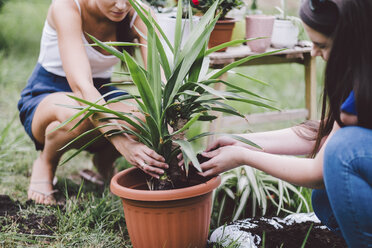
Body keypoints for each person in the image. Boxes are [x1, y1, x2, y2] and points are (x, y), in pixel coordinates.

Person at [195, 0, 372, 246]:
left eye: (322, 45)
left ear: (352, 40)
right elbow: (326, 132)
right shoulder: (361, 73)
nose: (313, 52)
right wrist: (243, 143)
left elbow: (321, 169)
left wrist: (242, 157)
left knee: (342, 155)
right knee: (325, 194)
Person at [18, 0, 168, 205]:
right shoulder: (66, 6)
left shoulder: (140, 14)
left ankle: (104, 161)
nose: (122, 6)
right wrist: (122, 141)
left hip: (101, 92)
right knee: (76, 114)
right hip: (48, 93)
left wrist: (171, 129)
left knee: (143, 117)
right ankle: (46, 162)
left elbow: (160, 83)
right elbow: (82, 89)